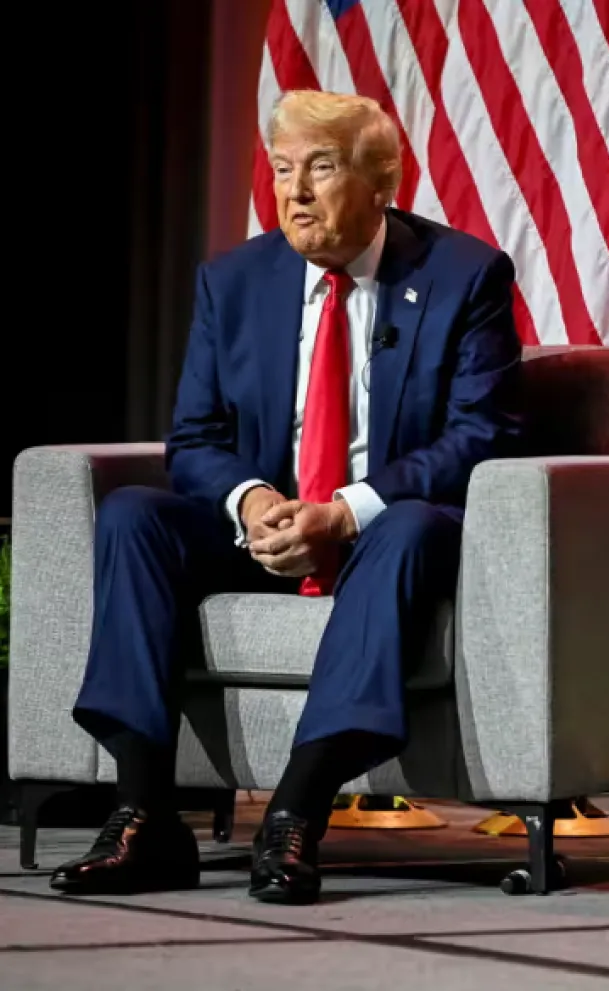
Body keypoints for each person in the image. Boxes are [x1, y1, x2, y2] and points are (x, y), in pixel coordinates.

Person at [50, 90, 523, 905]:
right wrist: (252, 499)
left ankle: (297, 809)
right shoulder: (234, 281)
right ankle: (142, 813)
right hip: (268, 529)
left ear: (382, 182)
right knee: (132, 514)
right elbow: (194, 438)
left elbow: (483, 435)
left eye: (321, 169)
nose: (294, 191)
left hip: (390, 534)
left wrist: (345, 510)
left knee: (407, 528)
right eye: (281, 170)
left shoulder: (463, 276)